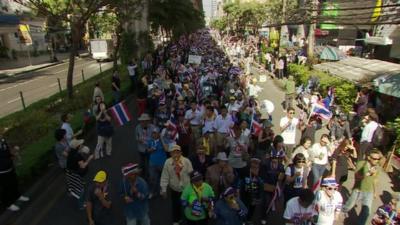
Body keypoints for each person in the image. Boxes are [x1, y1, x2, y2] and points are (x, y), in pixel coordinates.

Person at [342, 149, 382, 225]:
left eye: (378, 159)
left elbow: (375, 181)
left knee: (366, 212)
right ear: (369, 157)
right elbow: (357, 177)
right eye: (374, 158)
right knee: (348, 206)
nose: (376, 161)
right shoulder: (361, 164)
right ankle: (338, 211)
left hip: (369, 191)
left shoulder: (377, 168)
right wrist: (369, 173)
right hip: (358, 190)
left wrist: (375, 192)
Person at [160, 144, 193, 225]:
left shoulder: (186, 161)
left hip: (186, 188)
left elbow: (191, 174)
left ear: (181, 153)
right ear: (170, 154)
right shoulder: (167, 162)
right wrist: (163, 190)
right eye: (173, 152)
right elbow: (164, 176)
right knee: (175, 205)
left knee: (188, 205)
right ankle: (176, 220)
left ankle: (189, 220)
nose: (175, 154)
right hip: (174, 189)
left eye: (177, 152)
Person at [0, 136, 29, 211]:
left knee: (14, 183)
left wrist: (14, 155)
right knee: (6, 188)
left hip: (9, 167)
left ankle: (17, 196)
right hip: (2, 171)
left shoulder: (2, 141)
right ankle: (8, 204)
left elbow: (7, 152)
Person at [66, 139, 93, 208]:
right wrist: (89, 158)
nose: (81, 145)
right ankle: (81, 205)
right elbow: (83, 166)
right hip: (75, 175)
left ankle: (72, 192)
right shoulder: (77, 155)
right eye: (79, 144)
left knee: (73, 186)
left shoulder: (70, 152)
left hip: (69, 173)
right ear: (77, 146)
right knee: (81, 190)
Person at [260, 152, 285, 224]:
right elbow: (262, 176)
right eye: (273, 158)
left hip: (275, 187)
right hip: (267, 186)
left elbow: (282, 178)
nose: (275, 160)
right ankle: (263, 217)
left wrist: (279, 182)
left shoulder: (281, 166)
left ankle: (269, 213)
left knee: (272, 201)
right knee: (266, 201)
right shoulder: (265, 165)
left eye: (277, 158)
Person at [241, 158, 264, 224]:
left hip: (255, 194)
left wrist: (257, 177)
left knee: (252, 208)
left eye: (256, 165)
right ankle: (243, 220)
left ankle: (249, 219)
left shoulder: (260, 174)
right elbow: (242, 182)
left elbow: (261, 185)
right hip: (245, 193)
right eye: (253, 164)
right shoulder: (245, 171)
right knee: (244, 207)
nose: (255, 166)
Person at [147, 128, 167, 198]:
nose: (154, 134)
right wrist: (150, 150)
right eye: (153, 133)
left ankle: (162, 190)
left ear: (159, 134)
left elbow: (166, 149)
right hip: (152, 163)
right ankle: (152, 192)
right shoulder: (150, 141)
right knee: (152, 178)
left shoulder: (163, 141)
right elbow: (147, 150)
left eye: (155, 133)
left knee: (163, 178)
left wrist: (161, 139)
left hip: (162, 163)